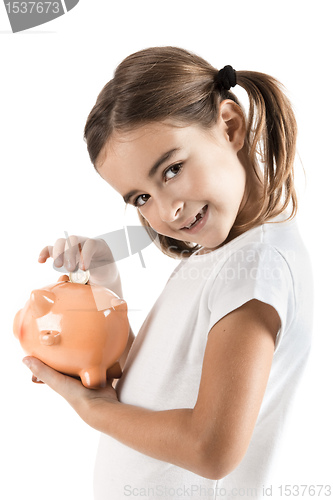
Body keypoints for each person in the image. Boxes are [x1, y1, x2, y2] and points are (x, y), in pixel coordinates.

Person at [23, 47, 313, 499]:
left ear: (230, 126)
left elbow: (211, 448)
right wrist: (107, 286)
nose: (168, 210)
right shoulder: (223, 254)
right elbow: (160, 388)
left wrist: (90, 408)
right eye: (140, 198)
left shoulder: (255, 269)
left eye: (172, 169)